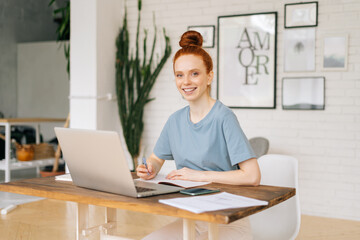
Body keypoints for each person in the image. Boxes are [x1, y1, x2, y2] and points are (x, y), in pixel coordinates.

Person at [137, 30, 261, 240]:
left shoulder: (224, 117)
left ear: (209, 76)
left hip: (226, 219)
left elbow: (252, 176)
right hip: (191, 218)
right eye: (180, 75)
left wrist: (199, 175)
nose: (186, 81)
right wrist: (149, 168)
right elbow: (156, 158)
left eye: (194, 73)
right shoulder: (175, 120)